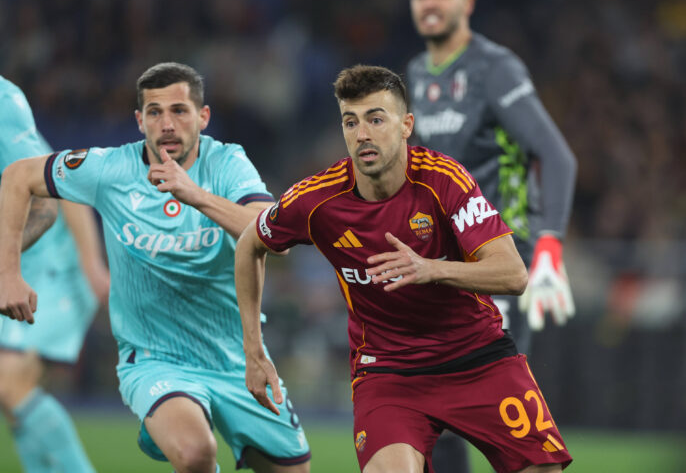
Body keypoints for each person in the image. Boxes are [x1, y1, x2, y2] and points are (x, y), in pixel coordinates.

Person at [236, 65, 571, 472]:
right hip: (388, 372)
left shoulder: (444, 180)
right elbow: (249, 244)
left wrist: (431, 269)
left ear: (406, 125)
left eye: (376, 119)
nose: (362, 134)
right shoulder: (316, 201)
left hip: (476, 356)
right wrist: (254, 352)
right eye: (350, 121)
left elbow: (513, 274)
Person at [0, 63, 311, 473]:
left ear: (203, 117)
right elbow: (19, 175)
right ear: (139, 120)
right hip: (154, 359)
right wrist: (8, 274)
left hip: (236, 357)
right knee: (196, 451)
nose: (167, 123)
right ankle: (163, 418)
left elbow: (275, 238)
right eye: (154, 112)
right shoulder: (110, 169)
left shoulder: (227, 164)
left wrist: (195, 195)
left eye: (180, 111)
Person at [406, 0, 578, 467]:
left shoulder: (495, 68)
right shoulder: (416, 72)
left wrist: (550, 245)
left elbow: (555, 154)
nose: (430, 2)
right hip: (441, 263)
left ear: (468, 3)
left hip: (498, 256)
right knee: (437, 409)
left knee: (490, 402)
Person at [0, 75, 108, 472]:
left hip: (52, 266)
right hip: (16, 265)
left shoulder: (2, 102)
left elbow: (55, 193)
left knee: (9, 384)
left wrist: (92, 266)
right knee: (14, 404)